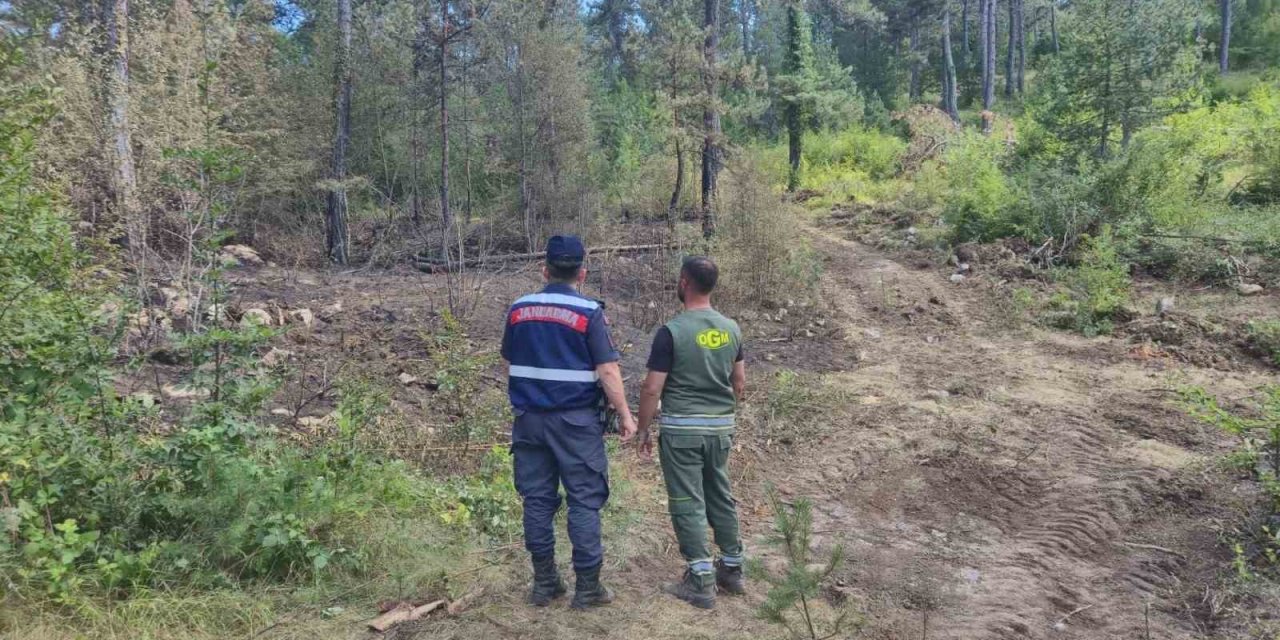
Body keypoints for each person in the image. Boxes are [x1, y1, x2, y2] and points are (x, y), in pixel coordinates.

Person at [501, 235, 637, 610]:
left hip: (529, 420)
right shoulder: (589, 312)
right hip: (576, 424)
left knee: (537, 500)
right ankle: (588, 588)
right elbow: (607, 369)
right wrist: (626, 415)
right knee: (584, 501)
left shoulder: (518, 309)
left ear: (544, 269)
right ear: (582, 272)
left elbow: (509, 361)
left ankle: (545, 584)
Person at [635, 256, 746, 610]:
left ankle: (700, 580)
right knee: (720, 494)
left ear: (684, 282)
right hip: (720, 429)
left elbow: (652, 388)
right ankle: (732, 568)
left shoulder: (672, 332)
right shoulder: (731, 329)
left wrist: (643, 429)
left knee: (688, 500)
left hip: (683, 431)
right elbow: (739, 383)